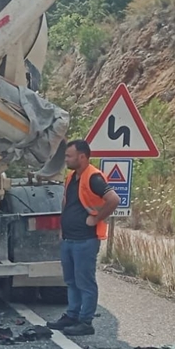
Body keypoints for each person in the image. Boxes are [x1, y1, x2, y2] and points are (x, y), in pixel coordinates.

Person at [49, 139, 120, 336]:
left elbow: (114, 199)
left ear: (82, 156)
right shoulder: (72, 177)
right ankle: (72, 316)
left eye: (69, 156)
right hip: (70, 239)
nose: (66, 159)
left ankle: (85, 322)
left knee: (85, 282)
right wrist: (63, 228)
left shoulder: (94, 177)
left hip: (85, 240)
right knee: (71, 281)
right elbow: (68, 203)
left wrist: (97, 217)